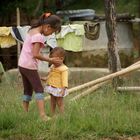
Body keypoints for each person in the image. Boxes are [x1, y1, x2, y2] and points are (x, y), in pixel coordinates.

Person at [18, 12, 62, 121]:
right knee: (39, 89)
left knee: (27, 90)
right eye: (52, 31)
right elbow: (35, 54)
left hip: (22, 65)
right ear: (47, 27)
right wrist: (50, 59)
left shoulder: (32, 30)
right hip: (29, 66)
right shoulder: (38, 36)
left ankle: (24, 113)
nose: (51, 34)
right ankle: (42, 116)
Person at [41, 47, 68, 116]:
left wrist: (63, 89)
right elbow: (50, 74)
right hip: (52, 87)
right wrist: (46, 78)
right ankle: (52, 114)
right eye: (51, 59)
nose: (52, 61)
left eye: (54, 60)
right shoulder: (53, 66)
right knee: (52, 101)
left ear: (61, 59)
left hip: (59, 88)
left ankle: (63, 115)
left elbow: (64, 80)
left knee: (59, 102)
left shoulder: (63, 69)